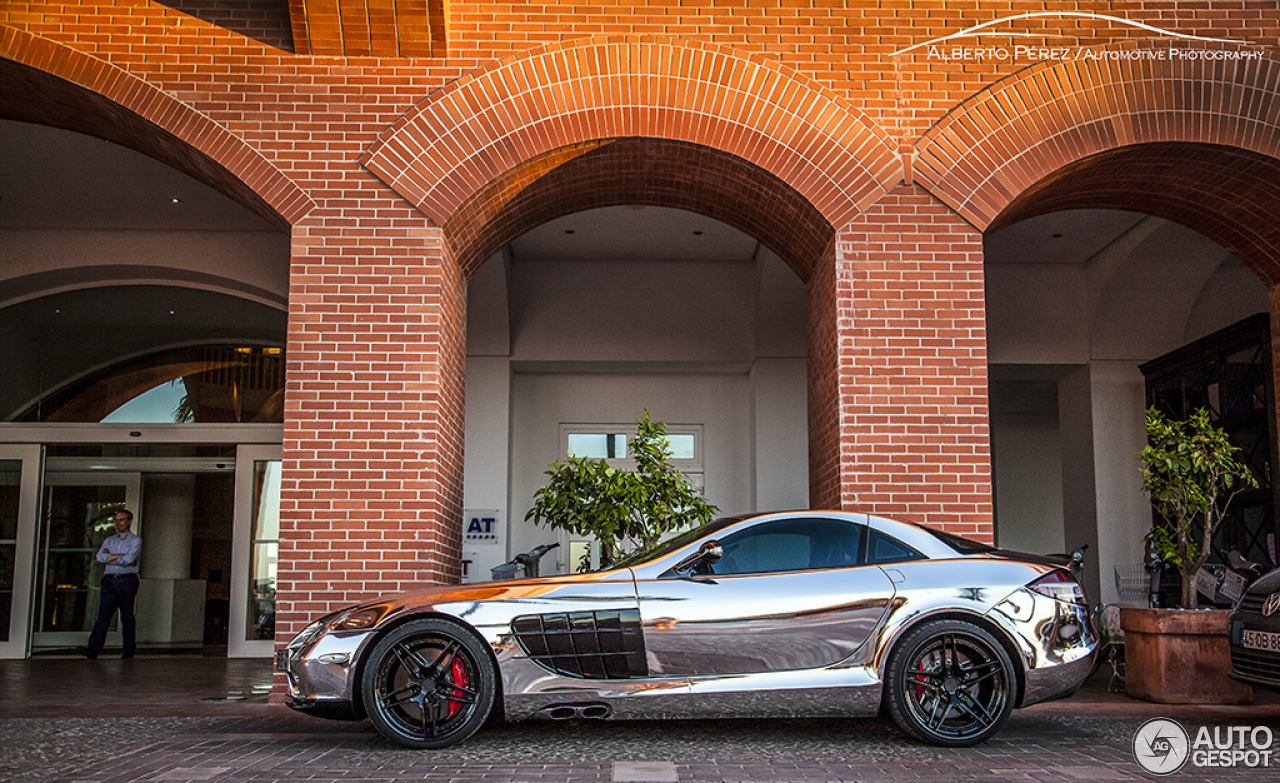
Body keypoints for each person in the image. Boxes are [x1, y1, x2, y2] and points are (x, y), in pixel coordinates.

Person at [83, 509, 142, 659]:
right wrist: (118, 557)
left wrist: (111, 557)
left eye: (121, 520)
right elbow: (100, 557)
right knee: (104, 615)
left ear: (129, 521)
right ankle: (93, 650)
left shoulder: (135, 541)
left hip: (127, 580)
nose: (118, 523)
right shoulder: (109, 540)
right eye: (116, 520)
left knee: (127, 616)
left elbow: (129, 560)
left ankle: (128, 651)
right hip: (109, 580)